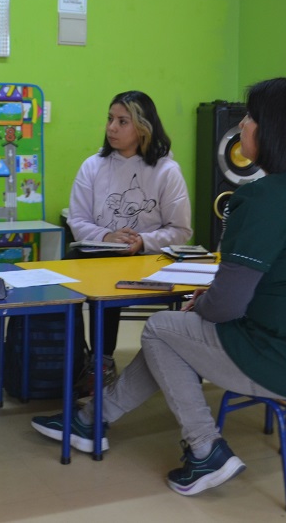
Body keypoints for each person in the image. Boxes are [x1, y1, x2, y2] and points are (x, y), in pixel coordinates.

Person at [33, 78, 286, 496]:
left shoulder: (261, 200)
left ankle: (205, 448)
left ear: (274, 131)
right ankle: (91, 419)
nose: (242, 126)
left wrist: (202, 306)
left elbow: (227, 304)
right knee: (174, 334)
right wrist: (209, 305)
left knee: (162, 329)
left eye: (250, 118)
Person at [65, 90, 192, 390]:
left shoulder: (167, 171)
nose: (111, 128)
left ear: (143, 127)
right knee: (72, 277)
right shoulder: (92, 166)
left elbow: (181, 230)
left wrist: (142, 242)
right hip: (100, 254)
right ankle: (84, 359)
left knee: (111, 280)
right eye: (110, 119)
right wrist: (107, 236)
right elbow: (77, 220)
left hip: (146, 258)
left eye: (122, 121)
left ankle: (103, 360)